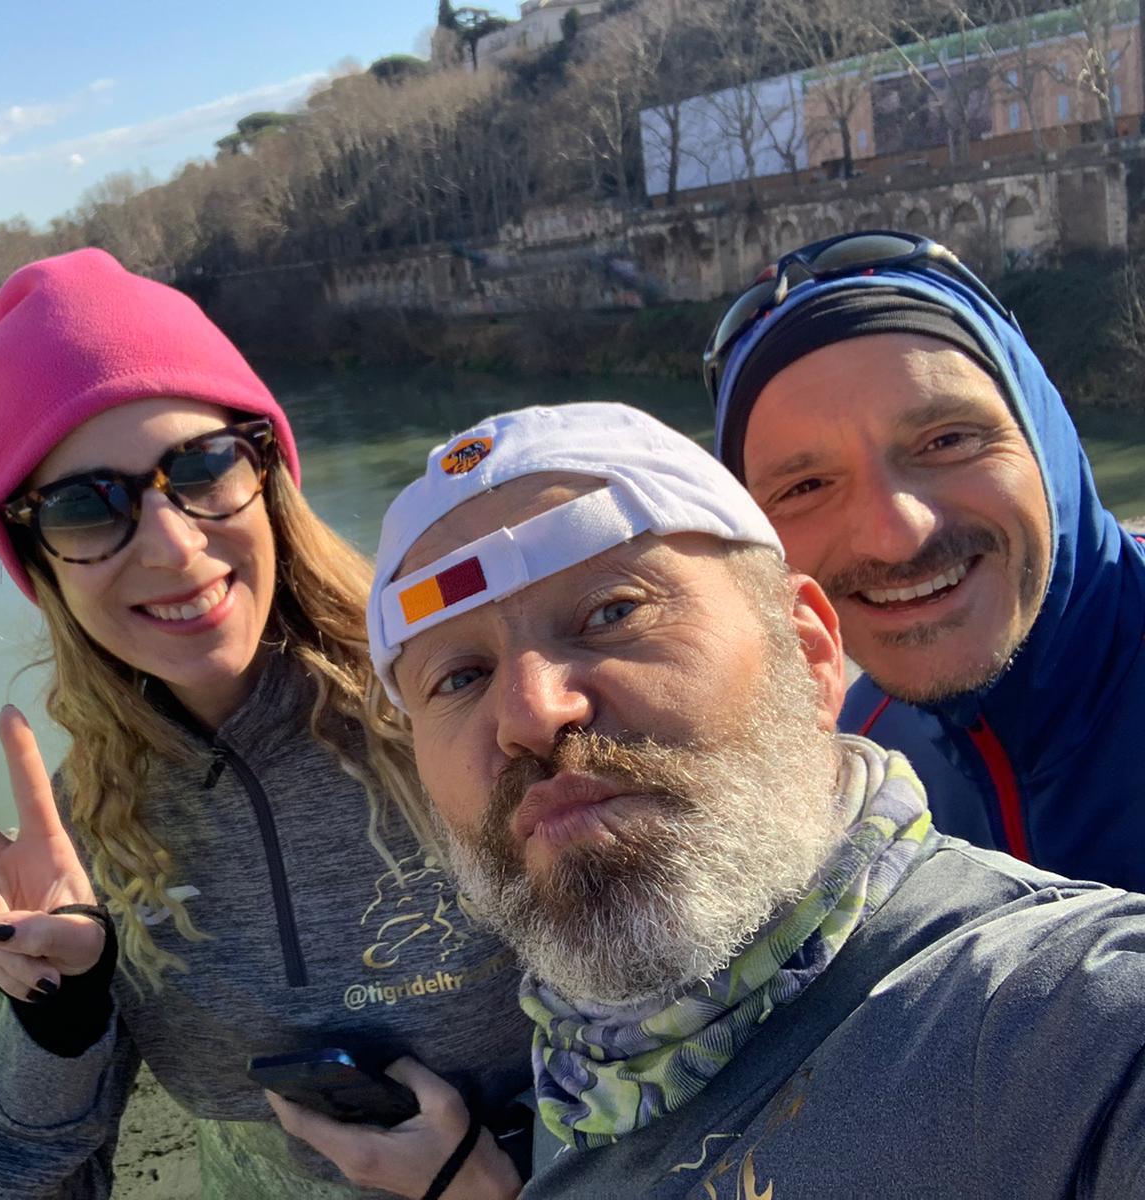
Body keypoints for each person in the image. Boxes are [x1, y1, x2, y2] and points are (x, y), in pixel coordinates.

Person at [275, 402, 1145, 1199]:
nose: (533, 713)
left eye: (613, 612)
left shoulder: (1054, 1022)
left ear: (808, 653)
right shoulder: (578, 1078)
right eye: (461, 676)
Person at [0, 248, 534, 1199]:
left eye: (203, 466)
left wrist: (507, 1175)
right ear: (39, 564)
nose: (173, 543)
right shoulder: (89, 828)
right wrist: (58, 1022)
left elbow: (708, 1026)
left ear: (269, 474)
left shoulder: (464, 696)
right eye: (83, 507)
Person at [704, 230, 1145, 891]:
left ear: (1042, 439)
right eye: (806, 486)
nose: (896, 536)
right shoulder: (855, 760)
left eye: (946, 440)